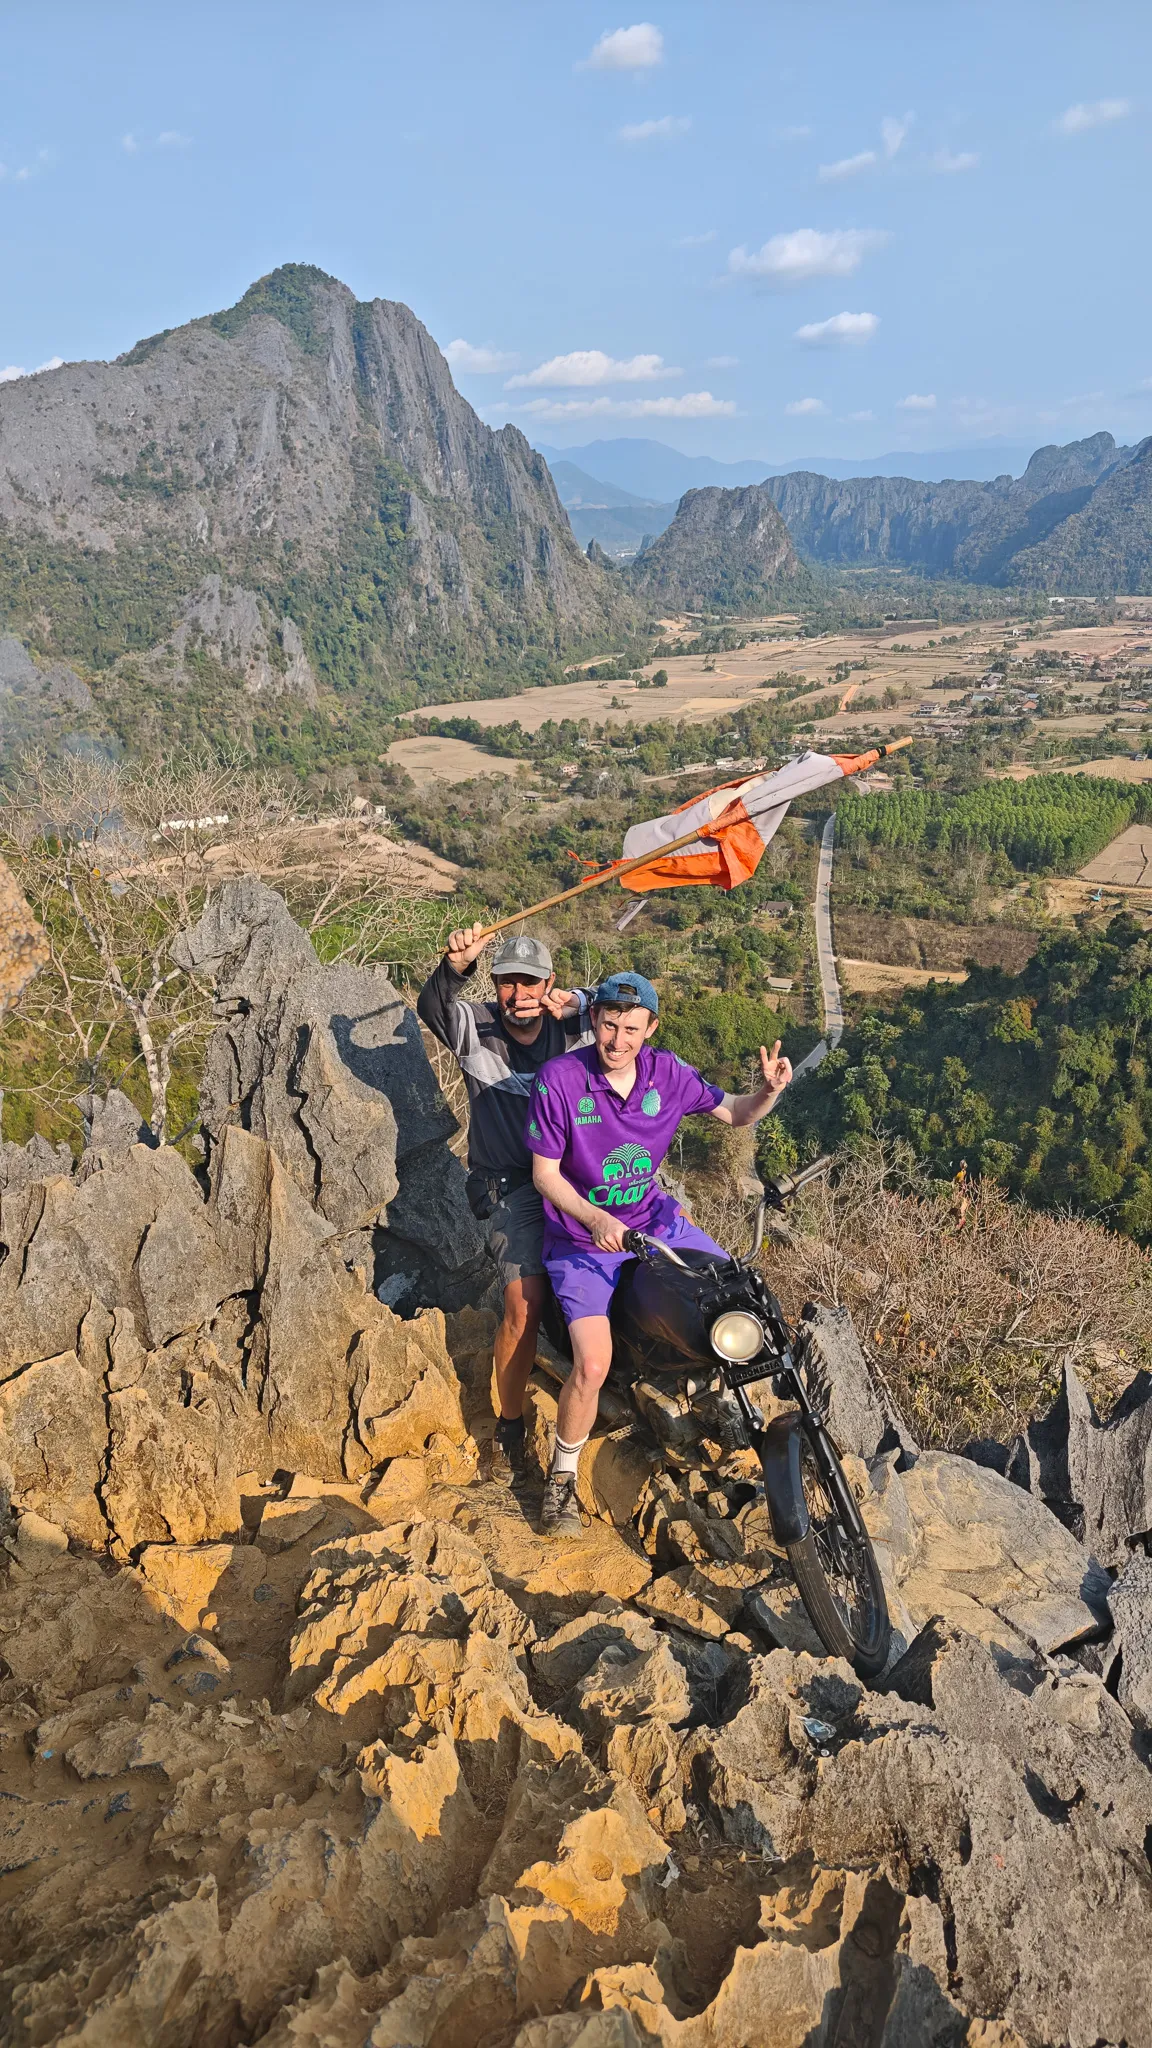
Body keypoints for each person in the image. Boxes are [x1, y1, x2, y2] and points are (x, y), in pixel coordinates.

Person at [526, 970, 793, 1536]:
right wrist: (595, 1219)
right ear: (592, 1021)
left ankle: (753, 1421)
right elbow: (545, 1175)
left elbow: (737, 1114)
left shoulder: (667, 1073)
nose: (616, 1040)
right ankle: (561, 1478)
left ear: (650, 1027)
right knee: (593, 1363)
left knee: (737, 1293)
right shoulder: (561, 1079)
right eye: (606, 1025)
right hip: (581, 1239)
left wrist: (767, 1091)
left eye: (630, 1028)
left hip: (655, 1220)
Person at [417, 923, 594, 1481]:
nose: (519, 995)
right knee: (525, 1302)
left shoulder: (572, 1034)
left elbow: (623, 1015)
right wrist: (457, 965)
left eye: (531, 983)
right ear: (494, 986)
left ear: (550, 986)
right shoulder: (477, 1027)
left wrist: (584, 1001)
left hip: (571, 1178)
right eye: (507, 983)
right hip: (508, 1184)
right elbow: (433, 1004)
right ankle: (510, 1428)